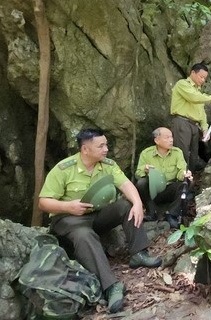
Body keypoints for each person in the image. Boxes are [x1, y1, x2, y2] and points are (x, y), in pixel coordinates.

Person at [38, 128, 163, 313]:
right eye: (101, 146)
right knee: (84, 234)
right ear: (85, 149)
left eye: (106, 145)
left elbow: (125, 184)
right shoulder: (64, 169)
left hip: (97, 215)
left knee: (125, 205)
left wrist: (137, 203)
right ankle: (110, 286)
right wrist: (68, 206)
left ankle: (139, 254)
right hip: (69, 218)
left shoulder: (107, 164)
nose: (106, 149)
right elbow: (43, 202)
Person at [170, 62, 211, 172]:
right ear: (192, 72)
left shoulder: (199, 92)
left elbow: (201, 113)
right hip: (182, 123)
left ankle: (188, 184)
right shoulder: (182, 84)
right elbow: (194, 98)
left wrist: (205, 129)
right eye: (201, 77)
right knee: (182, 154)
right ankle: (180, 185)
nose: (202, 80)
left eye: (204, 78)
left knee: (193, 156)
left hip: (193, 126)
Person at [134, 127, 193, 228]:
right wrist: (145, 169)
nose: (171, 140)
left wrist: (185, 174)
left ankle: (171, 213)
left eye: (171, 137)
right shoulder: (146, 153)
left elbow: (181, 172)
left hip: (169, 188)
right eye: (167, 137)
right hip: (153, 191)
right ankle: (151, 212)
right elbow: (137, 173)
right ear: (157, 140)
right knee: (141, 183)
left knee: (186, 183)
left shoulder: (177, 152)